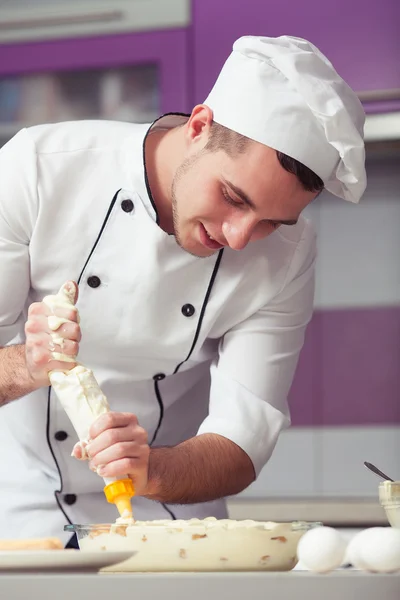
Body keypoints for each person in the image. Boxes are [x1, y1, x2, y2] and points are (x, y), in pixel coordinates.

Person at [0, 35, 366, 544]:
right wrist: (30, 364)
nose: (239, 238)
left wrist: (150, 470)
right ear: (199, 126)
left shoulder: (289, 253)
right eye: (233, 197)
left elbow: (241, 440)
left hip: (168, 531)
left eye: (270, 222)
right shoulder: (37, 169)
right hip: (18, 519)